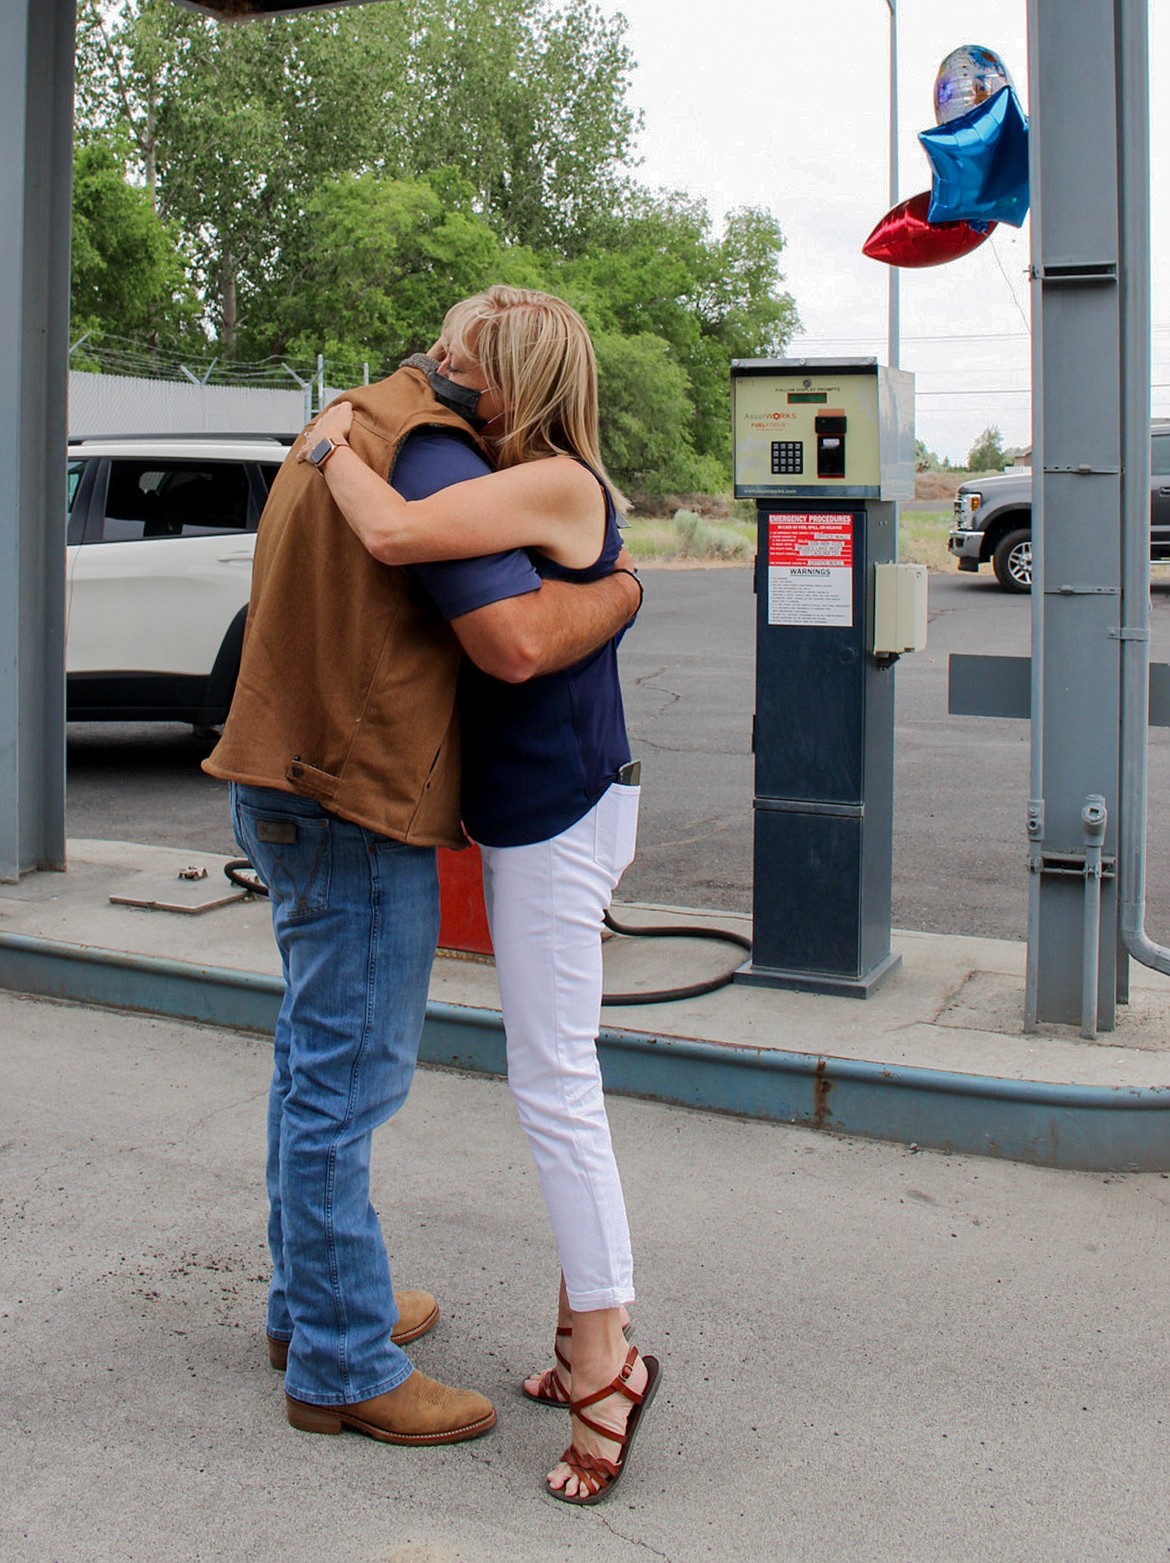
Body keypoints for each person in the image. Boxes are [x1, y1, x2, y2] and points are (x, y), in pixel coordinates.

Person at [203, 338, 642, 1449]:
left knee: (313, 1058)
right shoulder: (431, 456)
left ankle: (310, 1300)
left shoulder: (350, 419)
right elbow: (515, 640)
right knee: (345, 1083)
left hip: (282, 775)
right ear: (491, 378)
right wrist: (629, 587)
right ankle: (344, 1360)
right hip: (352, 800)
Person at [300, 284, 660, 1505]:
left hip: (558, 814)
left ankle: (611, 1363)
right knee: (558, 1076)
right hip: (544, 811)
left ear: (517, 385)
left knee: (557, 1086)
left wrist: (334, 443)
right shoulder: (531, 472)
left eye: (466, 354)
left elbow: (398, 539)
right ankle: (577, 1344)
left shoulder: (557, 480)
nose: (442, 362)